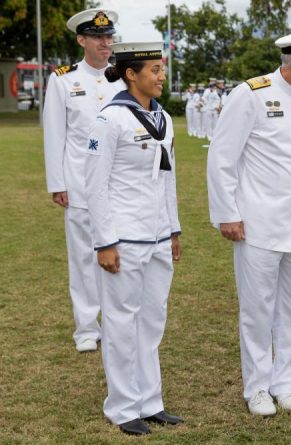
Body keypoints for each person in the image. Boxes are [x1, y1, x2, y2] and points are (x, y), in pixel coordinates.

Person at [206, 24, 291, 417]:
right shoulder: (250, 95)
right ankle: (258, 387)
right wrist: (227, 214)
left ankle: (287, 383)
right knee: (258, 309)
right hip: (258, 221)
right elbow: (222, 158)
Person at [85, 41, 184, 436]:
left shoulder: (163, 117)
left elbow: (168, 178)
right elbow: (94, 186)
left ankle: (150, 401)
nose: (161, 76)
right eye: (154, 70)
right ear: (131, 74)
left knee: (152, 322)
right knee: (122, 323)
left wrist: (173, 229)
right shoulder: (110, 120)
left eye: (161, 69)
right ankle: (122, 406)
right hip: (124, 239)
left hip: (158, 237)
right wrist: (105, 242)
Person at [43, 8, 125, 353]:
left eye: (108, 37)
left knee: (120, 254)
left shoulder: (123, 77)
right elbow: (54, 134)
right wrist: (57, 182)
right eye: (97, 37)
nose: (105, 43)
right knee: (83, 258)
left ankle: (118, 322)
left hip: (119, 185)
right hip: (79, 182)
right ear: (82, 40)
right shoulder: (63, 79)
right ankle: (87, 328)